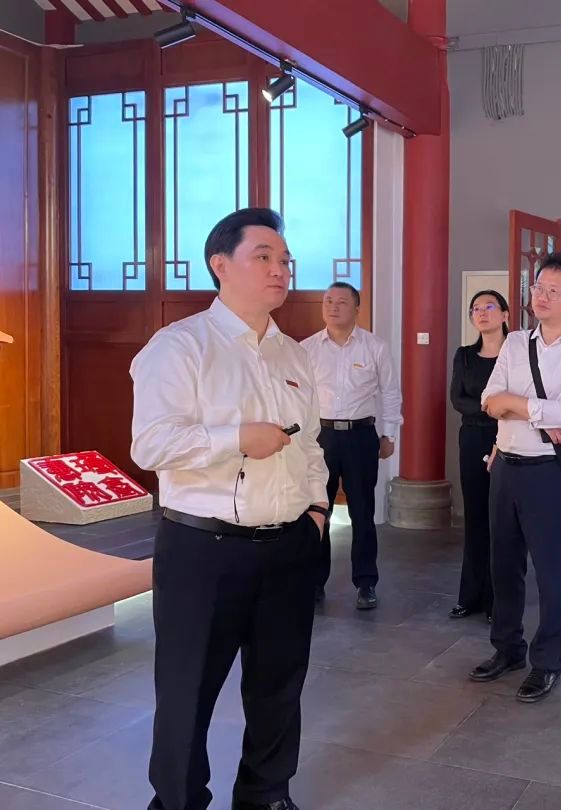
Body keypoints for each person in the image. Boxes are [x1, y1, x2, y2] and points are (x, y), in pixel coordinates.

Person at [131, 208, 329, 810]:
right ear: (220, 264)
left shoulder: (293, 354)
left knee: (279, 687)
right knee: (187, 690)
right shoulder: (180, 346)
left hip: (289, 545)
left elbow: (310, 445)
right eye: (263, 257)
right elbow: (150, 444)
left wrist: (317, 511)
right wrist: (236, 438)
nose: (280, 269)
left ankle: (266, 794)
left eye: (285, 259)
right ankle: (179, 800)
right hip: (203, 550)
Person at [468, 253, 561, 703]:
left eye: (552, 291)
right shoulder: (514, 342)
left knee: (551, 573)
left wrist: (516, 403)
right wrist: (535, 412)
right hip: (505, 466)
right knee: (503, 565)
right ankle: (507, 648)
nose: (541, 297)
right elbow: (489, 400)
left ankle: (548, 661)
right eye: (537, 288)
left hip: (548, 472)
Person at [300, 282, 403, 610]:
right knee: (319, 510)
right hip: (321, 438)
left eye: (342, 302)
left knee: (362, 512)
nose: (333, 306)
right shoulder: (306, 349)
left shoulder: (375, 347)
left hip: (361, 436)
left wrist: (389, 435)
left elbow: (390, 393)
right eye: (328, 300)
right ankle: (314, 582)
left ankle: (366, 582)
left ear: (357, 308)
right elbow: (296, 395)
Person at [448, 289, 510, 621]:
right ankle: (469, 595)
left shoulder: (517, 354)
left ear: (505, 314)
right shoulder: (465, 355)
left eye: (489, 306)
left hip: (509, 439)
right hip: (473, 437)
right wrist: (493, 408)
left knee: (500, 519)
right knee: (474, 517)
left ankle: (496, 599)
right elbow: (458, 399)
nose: (482, 313)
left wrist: (500, 410)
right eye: (476, 308)